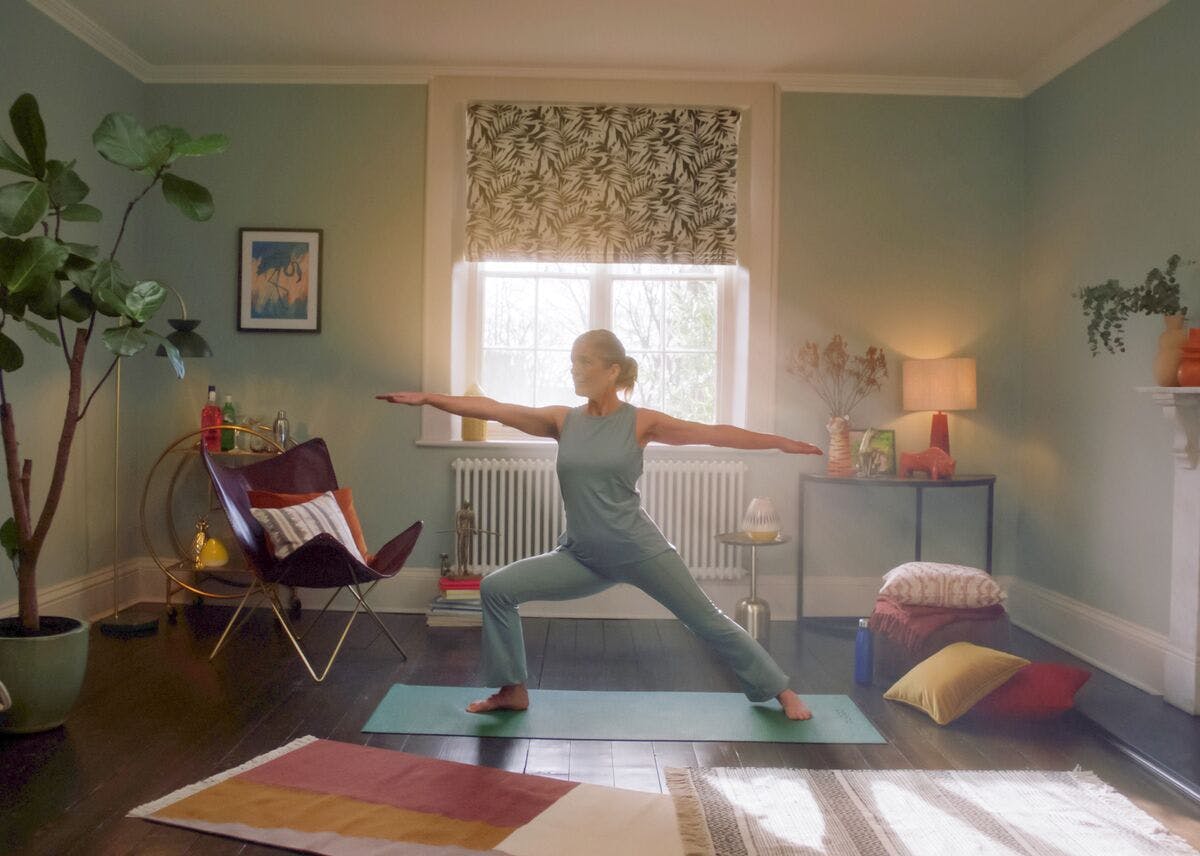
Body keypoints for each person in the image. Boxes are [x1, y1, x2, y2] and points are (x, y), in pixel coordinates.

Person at [377, 329, 823, 720]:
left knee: (707, 620)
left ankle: (780, 689)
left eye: (584, 362)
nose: (575, 370)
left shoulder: (640, 422)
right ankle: (512, 691)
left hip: (640, 550)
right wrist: (429, 398)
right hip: (581, 555)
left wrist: (781, 442)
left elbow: (713, 432)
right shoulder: (562, 420)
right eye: (572, 362)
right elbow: (494, 408)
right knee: (497, 588)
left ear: (613, 371)